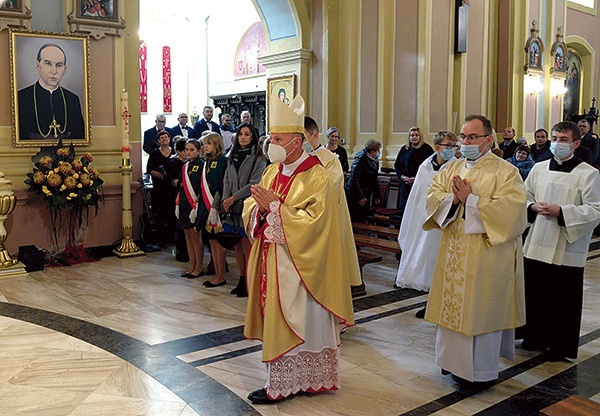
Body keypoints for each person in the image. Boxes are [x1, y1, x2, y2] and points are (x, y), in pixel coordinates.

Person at [243, 95, 354, 404]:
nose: (271, 143)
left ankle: (304, 379)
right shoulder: (272, 171)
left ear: (296, 141)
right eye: (270, 137)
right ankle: (284, 380)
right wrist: (260, 210)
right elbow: (254, 204)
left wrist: (276, 209)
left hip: (304, 266)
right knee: (279, 315)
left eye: (277, 138)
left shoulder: (317, 174)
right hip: (274, 258)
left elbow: (317, 221)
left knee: (304, 318)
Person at [424, 114, 527, 395]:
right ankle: (451, 363)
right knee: (452, 310)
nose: (465, 142)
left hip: (486, 257)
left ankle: (479, 374)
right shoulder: (451, 168)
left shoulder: (505, 172)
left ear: (488, 140)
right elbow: (433, 196)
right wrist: (452, 200)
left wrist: (471, 200)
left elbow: (513, 210)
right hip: (454, 253)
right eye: (463, 137)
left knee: (479, 313)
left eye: (472, 137)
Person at [520, 121, 600, 361]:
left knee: (562, 299)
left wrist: (562, 212)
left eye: (563, 140)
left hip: (566, 245)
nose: (557, 144)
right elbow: (524, 196)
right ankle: (533, 337)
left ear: (576, 143)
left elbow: (595, 209)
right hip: (537, 242)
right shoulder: (539, 168)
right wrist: (532, 206)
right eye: (554, 138)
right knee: (535, 293)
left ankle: (558, 345)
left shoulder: (589, 174)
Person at [394, 131, 458, 318]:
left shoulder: (457, 167)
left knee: (444, 263)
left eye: (454, 146)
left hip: (446, 221)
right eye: (448, 146)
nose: (452, 149)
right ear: (438, 147)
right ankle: (430, 302)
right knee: (428, 262)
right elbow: (417, 196)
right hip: (424, 220)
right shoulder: (425, 166)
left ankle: (443, 305)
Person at [305, 117, 362, 293]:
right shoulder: (298, 158)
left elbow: (332, 185)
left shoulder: (329, 159)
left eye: (302, 136)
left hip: (326, 216)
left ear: (314, 135)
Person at [221, 123, 266, 297]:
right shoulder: (232, 155)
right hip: (232, 207)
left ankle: (250, 281)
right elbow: (226, 178)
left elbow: (254, 182)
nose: (243, 137)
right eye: (241, 134)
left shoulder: (258, 158)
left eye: (247, 134)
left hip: (247, 206)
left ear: (253, 136)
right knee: (237, 247)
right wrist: (226, 199)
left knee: (248, 247)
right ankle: (241, 279)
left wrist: (234, 197)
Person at [18, 43, 85, 141]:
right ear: (37, 65)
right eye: (48, 63)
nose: (54, 71)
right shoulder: (22, 97)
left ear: (64, 70)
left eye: (59, 65)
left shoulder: (72, 99)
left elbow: (79, 135)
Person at [196, 133, 228, 288]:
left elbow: (221, 185)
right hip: (205, 205)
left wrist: (215, 206)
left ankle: (221, 275)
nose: (205, 146)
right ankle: (216, 272)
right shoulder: (207, 162)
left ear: (216, 144)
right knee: (211, 241)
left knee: (218, 241)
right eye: (204, 144)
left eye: (209, 143)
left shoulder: (222, 161)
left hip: (215, 206)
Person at [176, 139, 205, 279]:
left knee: (195, 237)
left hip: (195, 204)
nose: (189, 152)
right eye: (187, 149)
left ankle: (199, 267)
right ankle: (192, 265)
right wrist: (177, 203)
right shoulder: (185, 166)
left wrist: (197, 202)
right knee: (187, 235)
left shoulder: (202, 165)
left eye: (192, 149)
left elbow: (202, 186)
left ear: (199, 151)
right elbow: (181, 186)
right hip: (184, 204)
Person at [394, 126, 434, 213]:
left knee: (416, 211)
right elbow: (397, 165)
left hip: (420, 184)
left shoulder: (427, 149)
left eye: (416, 135)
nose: (414, 137)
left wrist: (416, 178)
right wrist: (402, 177)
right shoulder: (404, 149)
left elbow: (431, 167)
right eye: (412, 135)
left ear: (420, 137)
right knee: (403, 210)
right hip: (405, 185)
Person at [146, 129, 175, 245]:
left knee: (172, 212)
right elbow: (150, 170)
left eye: (166, 137)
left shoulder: (174, 153)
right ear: (158, 140)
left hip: (172, 188)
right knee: (161, 212)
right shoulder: (155, 154)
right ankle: (161, 237)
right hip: (160, 187)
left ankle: (173, 236)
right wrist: (158, 174)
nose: (164, 139)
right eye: (162, 138)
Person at [345, 139, 382, 222]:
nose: (379, 152)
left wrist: (377, 195)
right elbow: (355, 178)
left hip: (366, 192)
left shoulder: (374, 160)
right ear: (372, 151)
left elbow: (374, 178)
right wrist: (360, 196)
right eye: (378, 150)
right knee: (356, 218)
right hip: (355, 193)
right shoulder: (360, 159)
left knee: (363, 217)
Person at [166, 137, 189, 262]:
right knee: (179, 225)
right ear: (179, 151)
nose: (188, 153)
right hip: (176, 197)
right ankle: (182, 250)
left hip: (189, 198)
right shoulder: (174, 163)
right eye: (186, 150)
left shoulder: (191, 163)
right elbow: (171, 181)